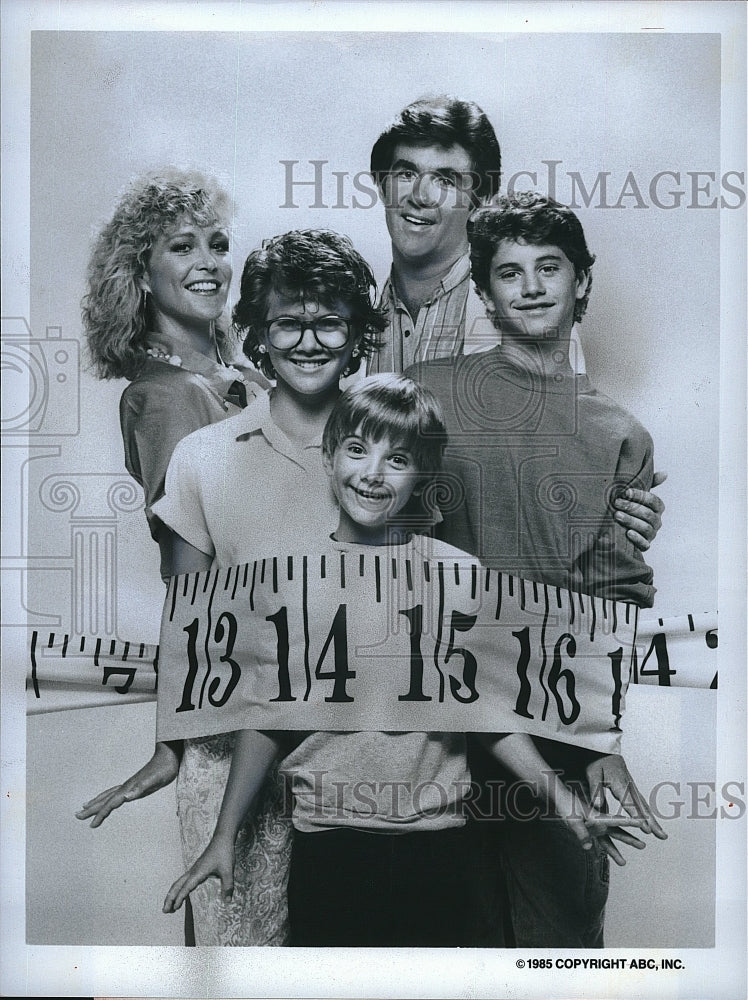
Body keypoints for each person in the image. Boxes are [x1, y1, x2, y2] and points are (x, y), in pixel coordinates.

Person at [160, 373, 648, 947]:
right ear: (329, 458)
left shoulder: (458, 577)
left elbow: (487, 715)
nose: (372, 473)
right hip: (329, 842)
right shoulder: (290, 583)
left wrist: (565, 804)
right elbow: (269, 718)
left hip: (442, 844)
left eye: (397, 459)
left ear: (422, 478)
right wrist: (225, 834)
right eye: (357, 450)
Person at [407, 192, 668, 947]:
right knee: (445, 954)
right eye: (508, 271)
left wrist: (602, 747)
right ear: (484, 292)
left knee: (561, 948)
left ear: (582, 281)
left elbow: (613, 602)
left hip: (557, 727)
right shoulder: (430, 391)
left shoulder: (619, 433)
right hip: (435, 727)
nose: (530, 285)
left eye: (548, 267)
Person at [77, 168, 286, 947]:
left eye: (217, 244)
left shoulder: (239, 375)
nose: (207, 262)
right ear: (142, 273)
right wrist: (172, 736)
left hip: (288, 686)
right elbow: (190, 574)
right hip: (235, 692)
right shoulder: (162, 396)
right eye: (180, 246)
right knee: (246, 942)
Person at [367, 94, 665, 553]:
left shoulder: (525, 315)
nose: (419, 196)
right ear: (382, 183)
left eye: (446, 179)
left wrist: (622, 512)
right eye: (405, 173)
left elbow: (567, 462)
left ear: (479, 198)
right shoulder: (346, 315)